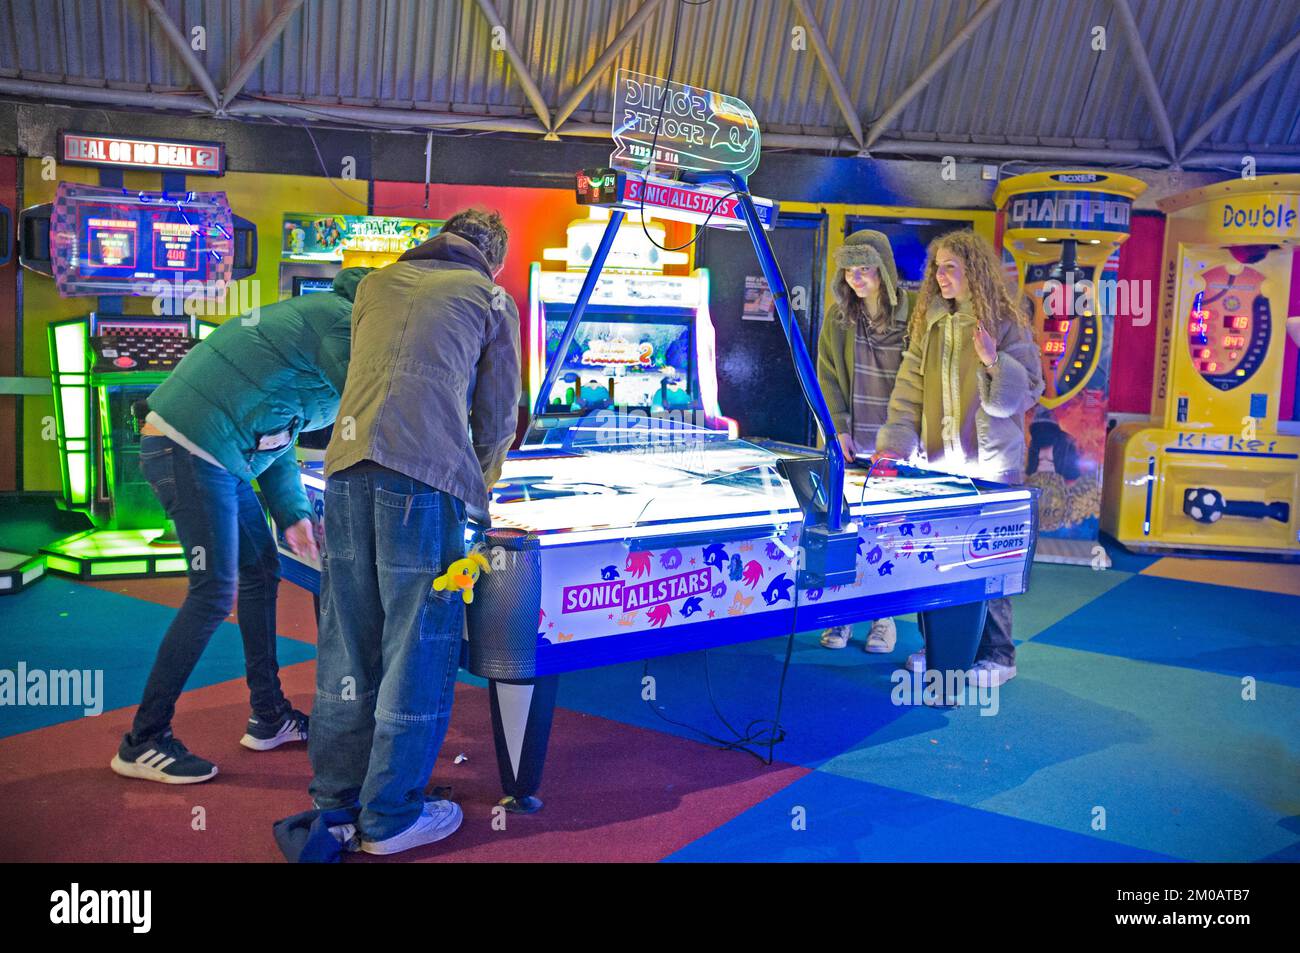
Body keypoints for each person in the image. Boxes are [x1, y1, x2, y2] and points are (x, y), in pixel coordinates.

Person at [308, 209, 520, 856]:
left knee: (347, 640)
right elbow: (497, 413)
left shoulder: (374, 284)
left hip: (344, 470)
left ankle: (336, 805)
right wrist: (478, 489)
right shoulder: (490, 296)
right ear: (494, 256)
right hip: (422, 479)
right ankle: (392, 815)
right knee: (417, 644)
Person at [111, 267, 372, 784]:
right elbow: (374, 404)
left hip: (215, 451)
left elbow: (275, 428)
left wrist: (292, 512)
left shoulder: (320, 322)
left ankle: (269, 715)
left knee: (260, 570)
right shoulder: (341, 324)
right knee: (214, 592)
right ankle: (143, 740)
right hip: (191, 447)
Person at [875, 230, 1044, 687]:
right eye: (937, 268)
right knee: (938, 561)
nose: (940, 276)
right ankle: (943, 650)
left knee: (990, 561)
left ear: (974, 271)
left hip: (990, 465)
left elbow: (1023, 395)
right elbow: (908, 393)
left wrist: (993, 362)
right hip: (940, 464)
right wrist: (893, 447)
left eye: (950, 267)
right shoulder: (928, 324)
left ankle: (998, 655)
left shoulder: (1006, 323)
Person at [815, 230, 910, 653]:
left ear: (883, 269)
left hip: (899, 445)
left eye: (865, 267)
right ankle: (842, 615)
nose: (856, 276)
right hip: (852, 445)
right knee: (845, 530)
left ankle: (883, 619)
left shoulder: (915, 315)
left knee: (888, 535)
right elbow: (828, 377)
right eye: (849, 268)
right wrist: (837, 428)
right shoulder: (838, 318)